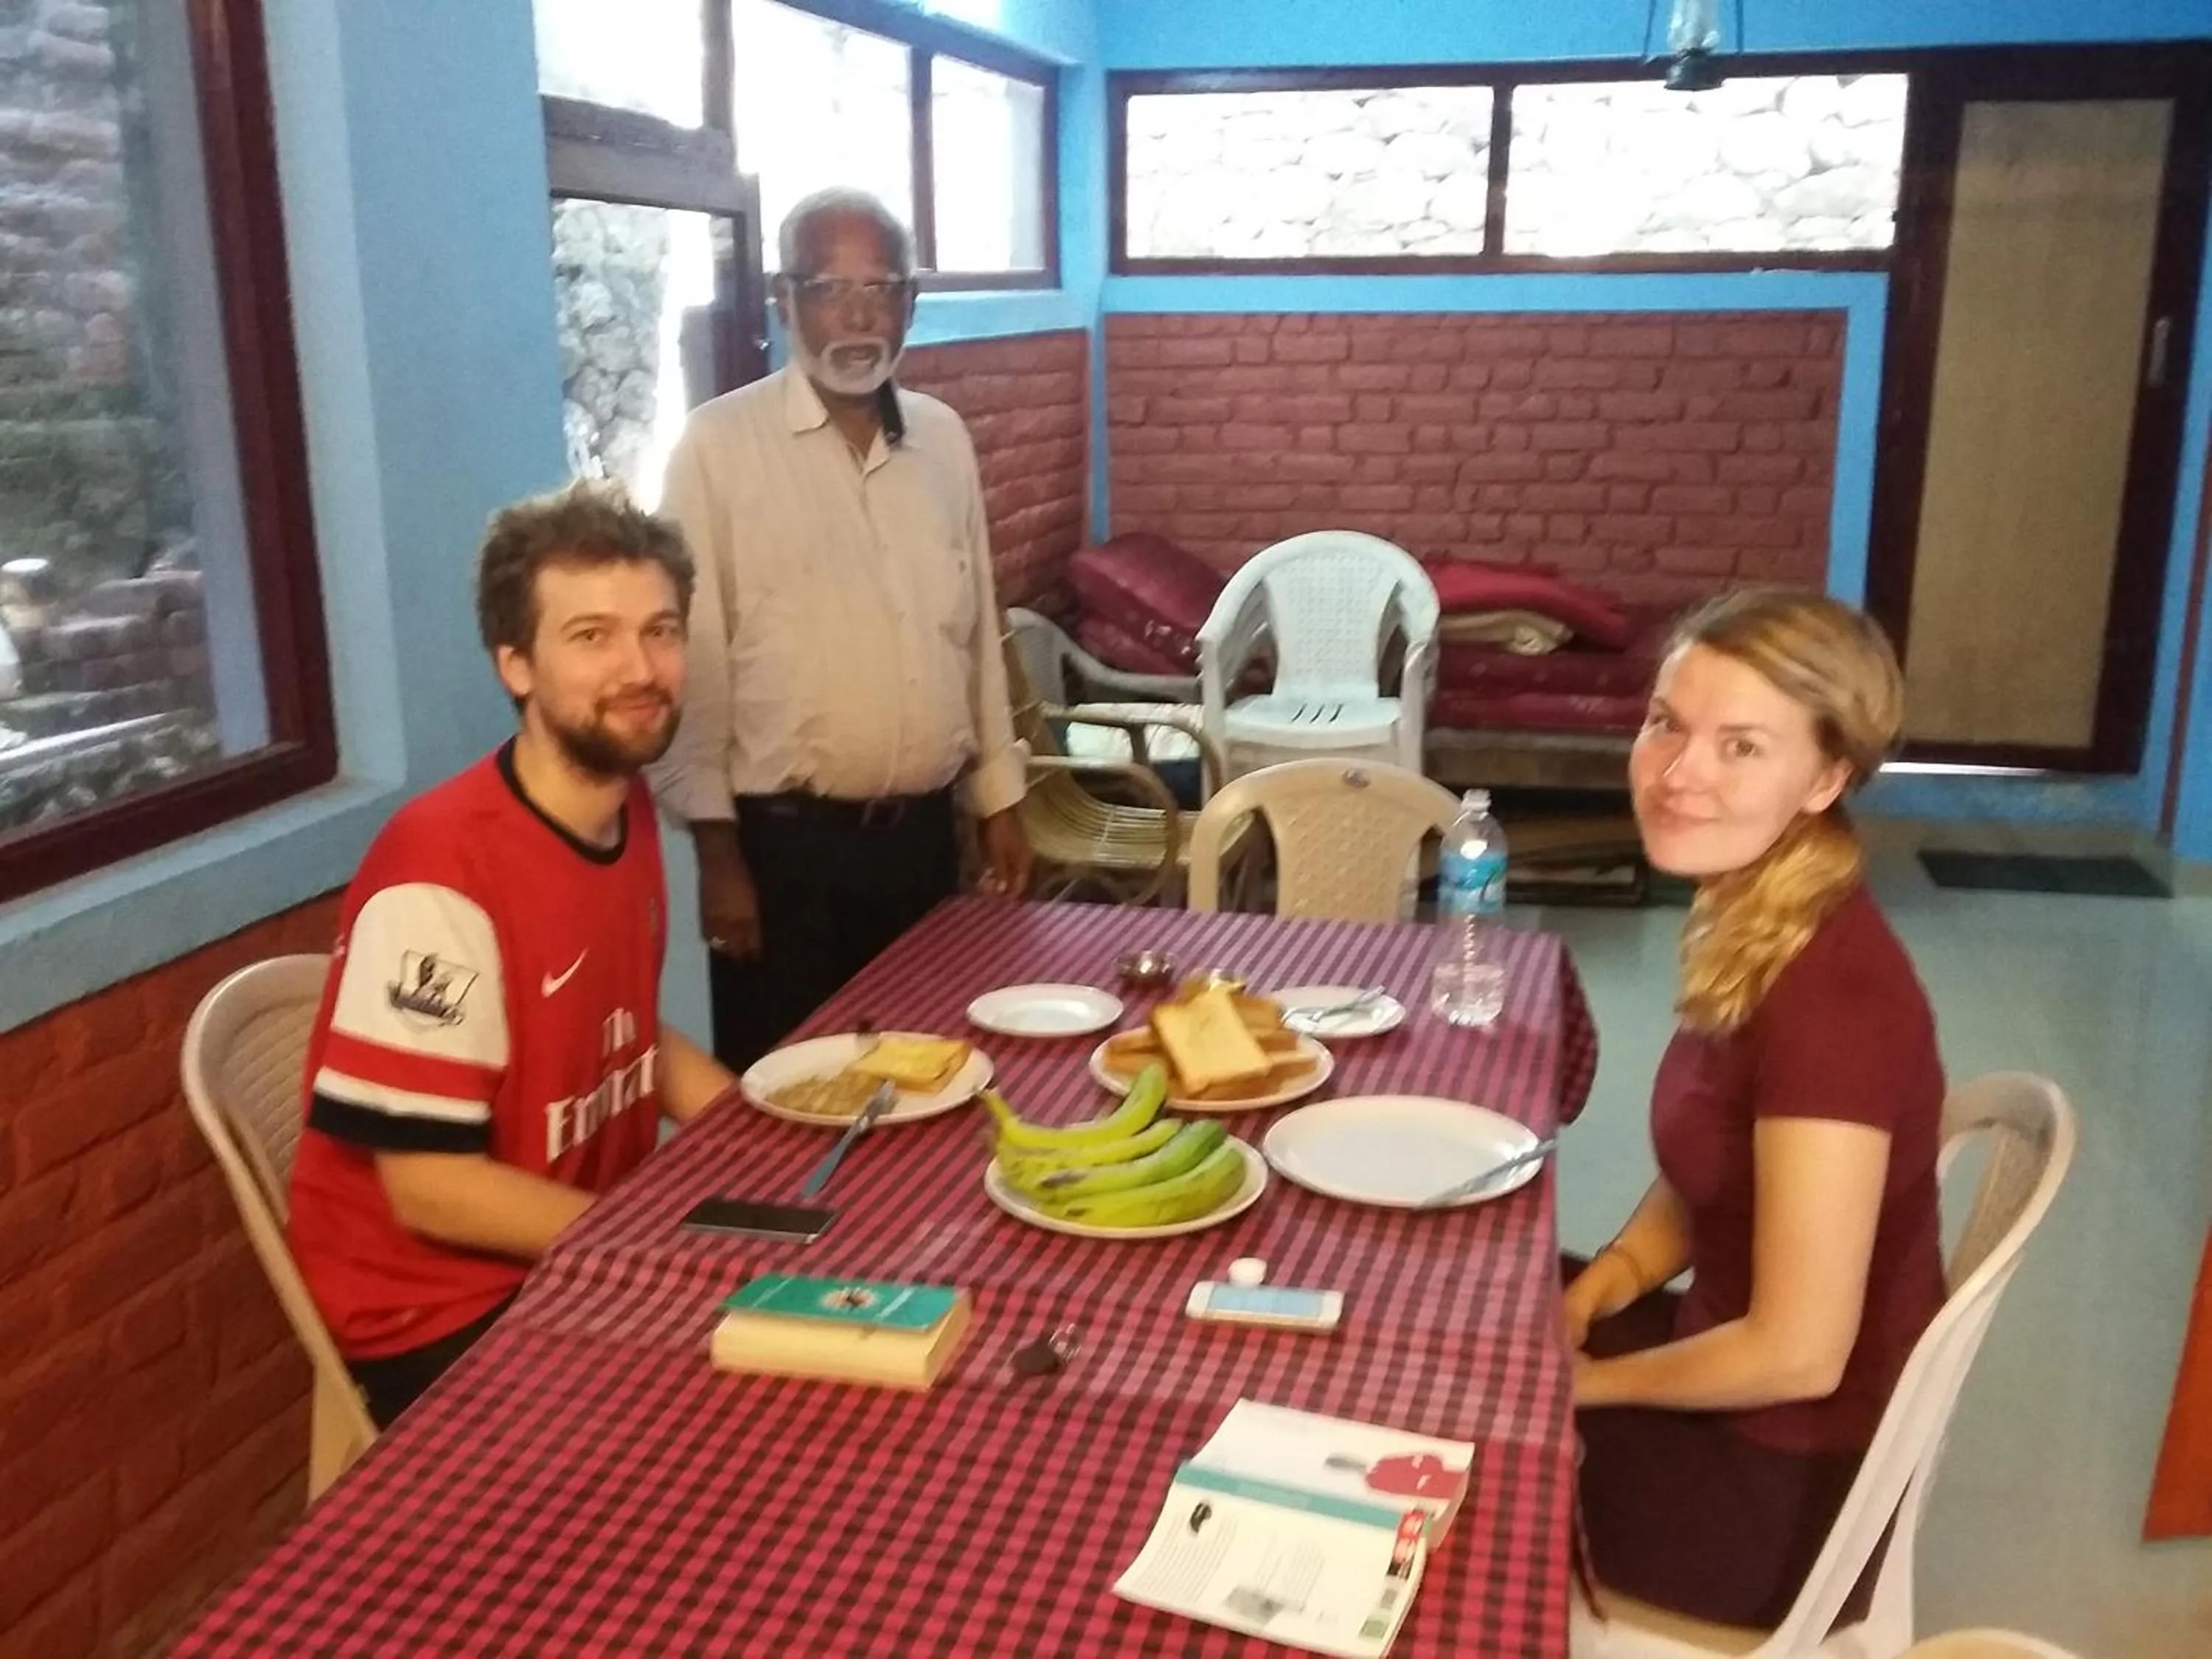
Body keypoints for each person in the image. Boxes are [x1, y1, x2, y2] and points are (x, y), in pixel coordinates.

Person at [287, 482, 741, 1427]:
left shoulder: (626, 803)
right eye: (591, 636)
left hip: (572, 1249)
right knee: (752, 1419)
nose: (639, 668)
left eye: (660, 631)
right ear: (516, 665)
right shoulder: (441, 875)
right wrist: (651, 1250)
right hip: (439, 1309)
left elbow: (620, 1031)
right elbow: (432, 1191)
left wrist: (763, 1140)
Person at [1564, 588, 1947, 1628]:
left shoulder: (1835, 999)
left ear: (1826, 777)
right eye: (1665, 723)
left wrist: (1589, 1387)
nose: (1679, 773)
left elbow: (1798, 1349)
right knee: (1462, 1305)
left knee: (1431, 1436)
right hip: (1729, 1382)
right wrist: (1608, 1278)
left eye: (1741, 746)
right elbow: (1714, 1167)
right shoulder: (1761, 909)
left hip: (1781, 1491)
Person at [650, 185, 1029, 1071]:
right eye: (828, 289)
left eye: (880, 288)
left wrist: (1000, 796)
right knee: (788, 1101)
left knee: (927, 1081)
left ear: (911, 302)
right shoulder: (717, 449)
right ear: (785, 302)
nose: (856, 316)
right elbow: (694, 664)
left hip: (924, 850)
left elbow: (974, 637)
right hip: (783, 858)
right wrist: (718, 855)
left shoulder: (944, 441)